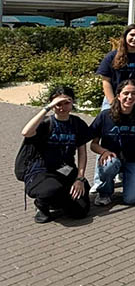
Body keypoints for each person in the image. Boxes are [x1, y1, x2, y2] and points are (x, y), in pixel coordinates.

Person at [20, 87, 91, 223]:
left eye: (66, 103)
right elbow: (26, 132)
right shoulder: (45, 123)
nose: (62, 107)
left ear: (72, 103)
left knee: (80, 211)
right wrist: (48, 107)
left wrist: (80, 178)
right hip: (42, 171)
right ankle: (41, 205)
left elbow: (82, 153)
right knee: (52, 189)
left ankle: (58, 200)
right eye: (58, 104)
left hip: (65, 170)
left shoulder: (77, 124)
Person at [90, 79, 135, 207]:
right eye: (126, 93)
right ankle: (104, 192)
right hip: (112, 158)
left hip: (134, 159)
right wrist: (104, 152)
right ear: (118, 95)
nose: (130, 97)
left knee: (131, 200)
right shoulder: (105, 115)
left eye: (134, 93)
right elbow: (93, 144)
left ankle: (127, 178)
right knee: (109, 165)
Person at [96, 23, 135, 111]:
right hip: (114, 98)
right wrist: (112, 103)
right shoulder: (112, 56)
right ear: (125, 36)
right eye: (132, 35)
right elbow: (106, 81)